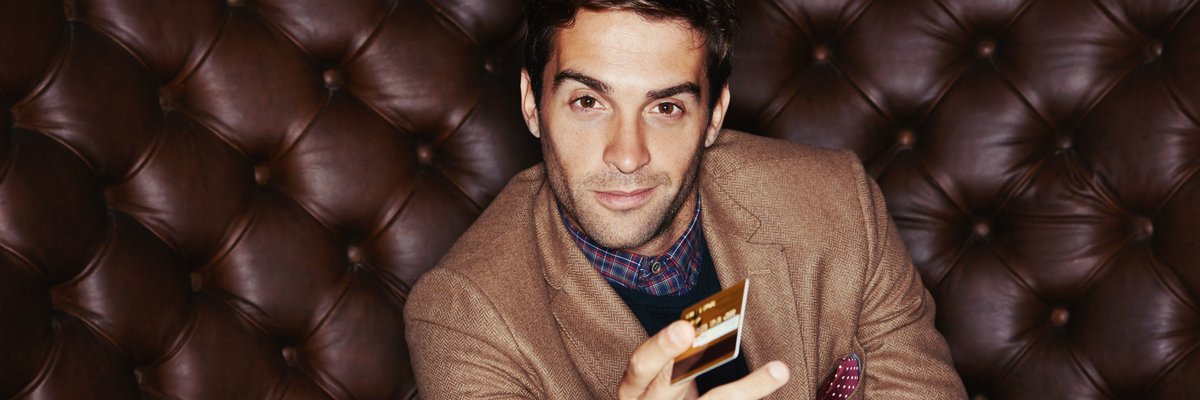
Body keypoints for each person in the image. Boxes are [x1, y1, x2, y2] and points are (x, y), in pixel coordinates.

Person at [404, 0, 967, 398]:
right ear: (532, 102)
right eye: (587, 103)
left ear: (714, 115)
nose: (627, 155)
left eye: (665, 107)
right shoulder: (465, 320)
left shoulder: (836, 202)